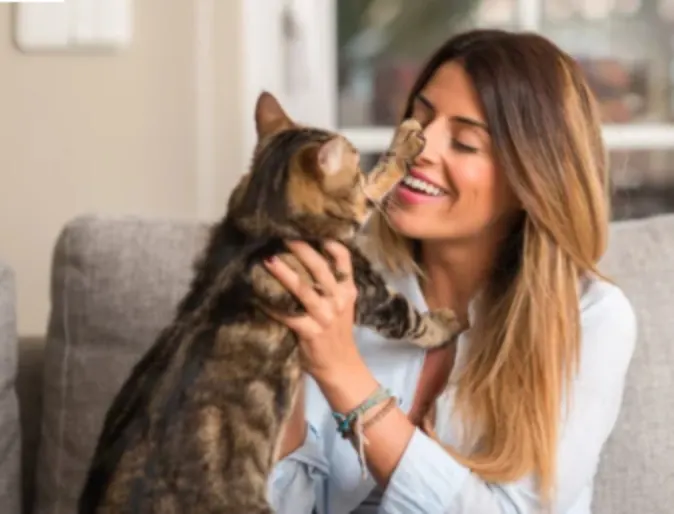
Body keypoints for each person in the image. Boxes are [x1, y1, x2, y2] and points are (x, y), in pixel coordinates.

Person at [262, 29, 637, 513]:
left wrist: (342, 373)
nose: (419, 147)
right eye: (419, 117)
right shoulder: (342, 277)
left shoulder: (592, 318)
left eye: (463, 142)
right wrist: (279, 365)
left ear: (532, 178)